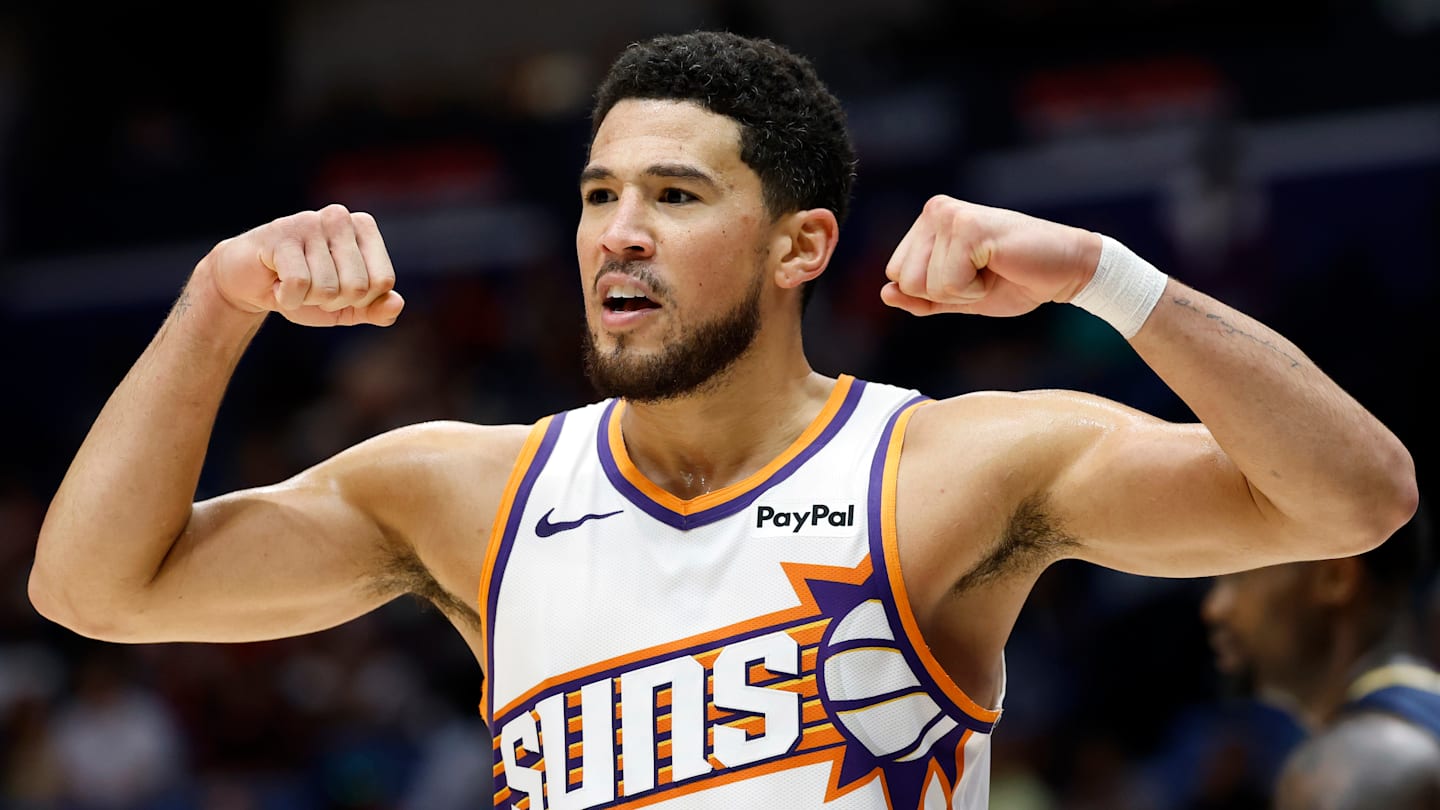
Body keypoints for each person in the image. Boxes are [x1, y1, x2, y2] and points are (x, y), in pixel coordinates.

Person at [30, 30, 1417, 810]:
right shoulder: (468, 491)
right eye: (598, 196)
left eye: (676, 197)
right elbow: (92, 589)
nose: (618, 233)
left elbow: (1356, 499)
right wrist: (216, 302)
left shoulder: (942, 466)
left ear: (799, 245)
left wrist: (1108, 279)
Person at [1202, 503, 1440, 809]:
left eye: (1238, 576)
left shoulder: (1364, 763)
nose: (1214, 608)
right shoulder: (1412, 723)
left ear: (1334, 577)